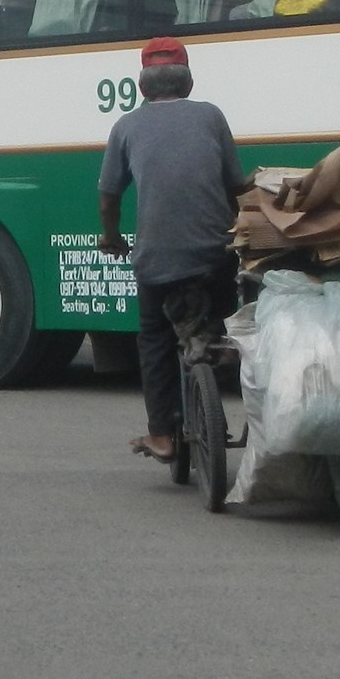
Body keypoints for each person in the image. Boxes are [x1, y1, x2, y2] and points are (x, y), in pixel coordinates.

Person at [98, 35, 245, 465]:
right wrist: (239, 229)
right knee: (221, 322)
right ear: (189, 83)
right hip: (215, 253)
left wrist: (112, 236)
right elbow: (236, 186)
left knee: (155, 339)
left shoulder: (126, 126)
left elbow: (108, 197)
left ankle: (161, 433)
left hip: (157, 259)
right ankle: (217, 358)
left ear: (142, 88)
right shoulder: (211, 116)